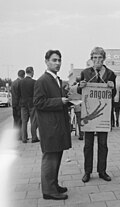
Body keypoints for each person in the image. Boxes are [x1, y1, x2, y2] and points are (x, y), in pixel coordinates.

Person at [33, 50, 71, 200]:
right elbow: (38, 102)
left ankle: (53, 184)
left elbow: (54, 99)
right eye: (54, 60)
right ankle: (48, 191)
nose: (57, 63)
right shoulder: (42, 80)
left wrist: (67, 101)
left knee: (57, 155)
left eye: (59, 60)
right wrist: (59, 101)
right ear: (46, 62)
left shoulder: (57, 79)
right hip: (49, 126)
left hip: (57, 124)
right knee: (50, 157)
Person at [78, 47, 116, 183]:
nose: (97, 60)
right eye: (94, 58)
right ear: (91, 59)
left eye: (100, 58)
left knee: (103, 144)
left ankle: (102, 171)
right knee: (88, 145)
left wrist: (113, 87)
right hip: (88, 114)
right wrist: (80, 86)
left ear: (104, 58)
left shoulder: (110, 74)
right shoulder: (85, 72)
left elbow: (114, 94)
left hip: (103, 115)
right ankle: (87, 171)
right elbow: (79, 90)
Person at [19, 67, 39, 143]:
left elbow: (19, 93)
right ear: (32, 72)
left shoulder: (21, 82)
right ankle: (34, 137)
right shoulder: (34, 82)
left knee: (24, 121)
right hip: (32, 104)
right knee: (33, 121)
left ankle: (24, 138)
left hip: (23, 104)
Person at [11, 69, 25, 140]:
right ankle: (19, 136)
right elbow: (21, 94)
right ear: (23, 75)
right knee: (20, 120)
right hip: (19, 104)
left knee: (15, 120)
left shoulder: (13, 83)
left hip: (14, 104)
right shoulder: (21, 83)